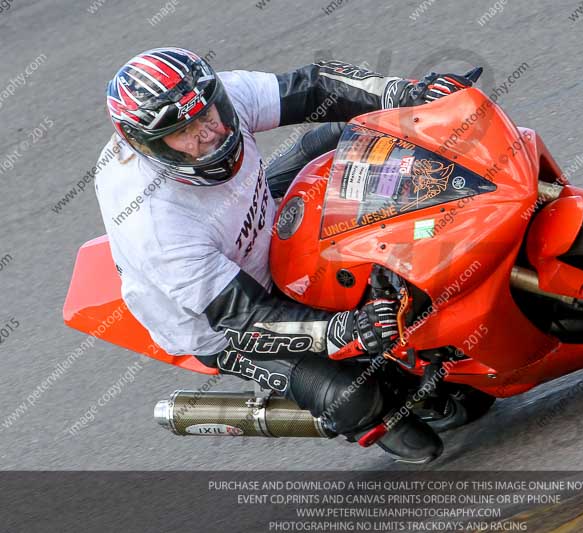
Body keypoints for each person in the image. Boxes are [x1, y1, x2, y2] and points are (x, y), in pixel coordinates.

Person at [96, 47, 477, 463]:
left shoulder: (210, 97)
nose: (209, 134)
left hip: (261, 213)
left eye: (206, 116)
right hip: (223, 322)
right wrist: (347, 329)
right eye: (184, 133)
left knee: (350, 135)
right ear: (147, 145)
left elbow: (313, 87)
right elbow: (246, 316)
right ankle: (367, 416)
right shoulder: (157, 225)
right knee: (354, 397)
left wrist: (410, 94)